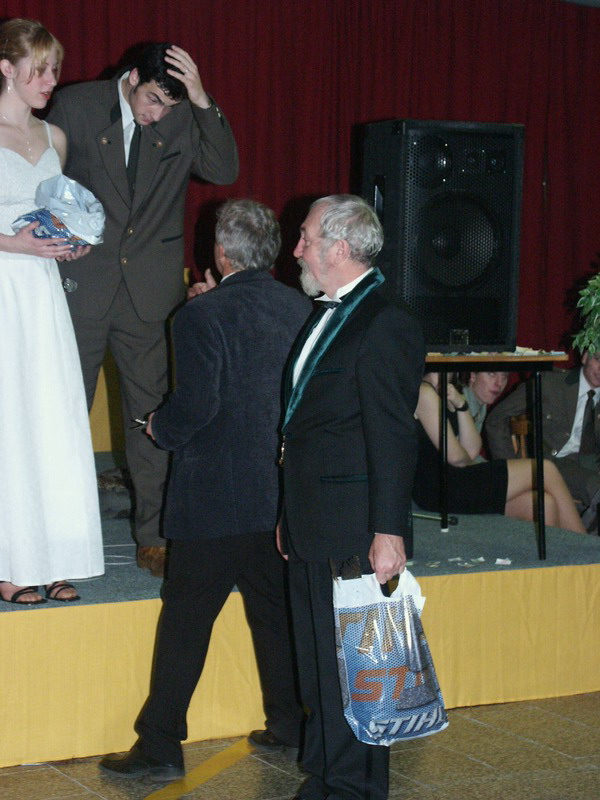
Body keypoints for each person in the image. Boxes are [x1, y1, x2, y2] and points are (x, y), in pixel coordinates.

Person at [99, 199, 309, 781]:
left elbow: (195, 408)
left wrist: (157, 427)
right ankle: (290, 724)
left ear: (220, 252)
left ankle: (160, 745)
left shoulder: (198, 316)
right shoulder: (300, 309)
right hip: (277, 497)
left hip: (212, 500)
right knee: (275, 618)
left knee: (185, 625)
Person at [47, 42, 239, 577]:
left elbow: (223, 168)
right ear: (132, 77)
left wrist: (199, 99)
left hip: (150, 295)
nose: (157, 114)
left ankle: (155, 535)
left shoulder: (183, 115)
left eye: (168, 106)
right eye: (152, 99)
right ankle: (57, 540)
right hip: (81, 286)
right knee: (64, 418)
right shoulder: (77, 106)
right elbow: (41, 180)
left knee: (151, 419)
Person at [277, 194, 425, 800]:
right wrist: (288, 514)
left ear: (339, 248)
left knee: (355, 675)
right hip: (312, 520)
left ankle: (353, 790)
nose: (296, 249)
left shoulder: (385, 320)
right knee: (319, 668)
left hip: (355, 527)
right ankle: (325, 779)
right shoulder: (329, 310)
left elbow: (393, 435)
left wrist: (389, 532)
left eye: (306, 238)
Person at [0, 18, 103, 605]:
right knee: (11, 421)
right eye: (38, 69)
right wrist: (13, 243)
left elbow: (61, 210)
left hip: (43, 288)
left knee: (51, 416)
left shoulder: (55, 137)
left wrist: (74, 240)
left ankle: (57, 557)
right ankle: (12, 562)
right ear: (6, 68)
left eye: (54, 69)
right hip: (4, 283)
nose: (49, 80)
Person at [412, 372, 586, 533]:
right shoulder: (424, 391)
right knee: (545, 470)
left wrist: (462, 405)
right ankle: (589, 550)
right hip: (438, 489)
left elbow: (471, 450)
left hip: (455, 480)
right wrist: (483, 469)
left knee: (544, 504)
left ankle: (557, 556)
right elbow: (457, 458)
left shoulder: (449, 389)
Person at [485, 352, 600, 533]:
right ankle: (587, 543)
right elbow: (497, 418)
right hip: (554, 464)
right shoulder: (550, 383)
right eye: (598, 359)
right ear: (585, 357)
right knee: (595, 485)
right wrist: (511, 468)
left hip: (590, 465)